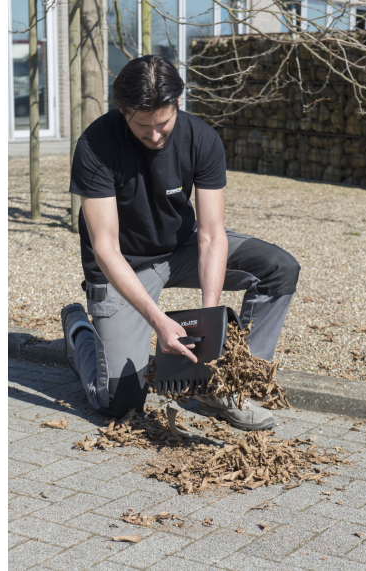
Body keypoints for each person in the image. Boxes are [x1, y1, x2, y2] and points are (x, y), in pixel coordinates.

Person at [61, 54, 300, 431]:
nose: (155, 136)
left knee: (279, 269)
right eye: (143, 126)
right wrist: (159, 322)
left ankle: (230, 387)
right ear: (122, 110)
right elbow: (105, 248)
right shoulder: (95, 145)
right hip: (124, 265)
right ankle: (79, 333)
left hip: (180, 250)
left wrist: (209, 324)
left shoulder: (201, 139)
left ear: (178, 103)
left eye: (163, 124)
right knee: (120, 405)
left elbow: (212, 234)